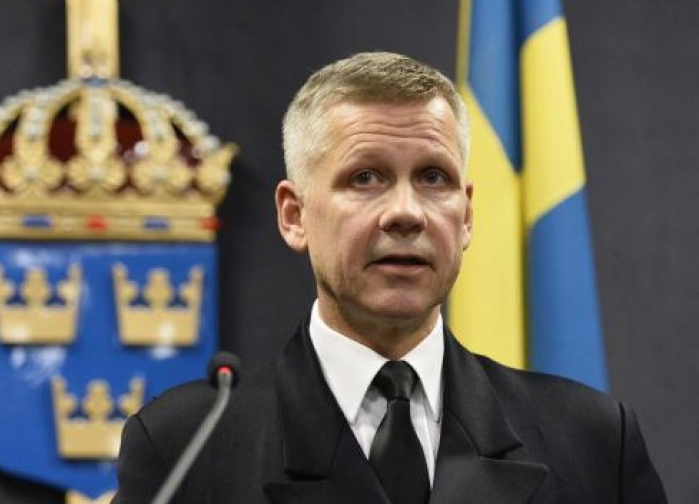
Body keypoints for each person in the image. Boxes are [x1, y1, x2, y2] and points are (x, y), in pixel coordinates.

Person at [114, 52, 667, 503]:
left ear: (467, 214)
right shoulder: (185, 447)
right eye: (365, 177)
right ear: (294, 215)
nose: (406, 212)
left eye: (433, 177)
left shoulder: (592, 440)